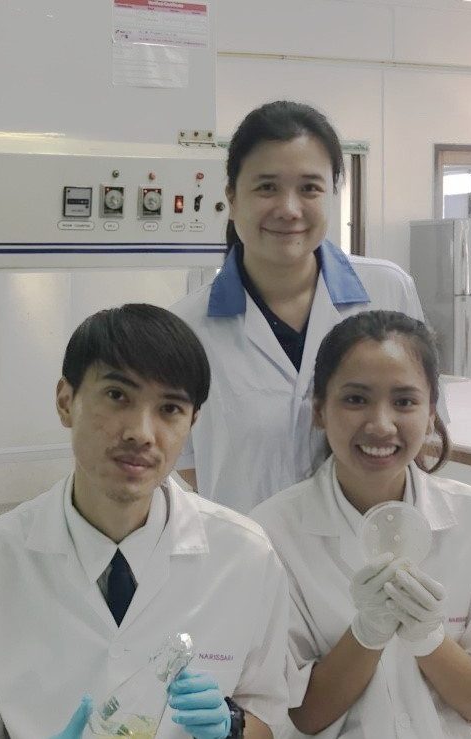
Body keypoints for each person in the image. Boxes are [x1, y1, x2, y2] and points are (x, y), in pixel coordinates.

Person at [0, 304, 292, 739]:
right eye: (117, 396)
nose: (141, 433)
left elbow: (270, 721)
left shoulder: (245, 557)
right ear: (65, 401)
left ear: (192, 423)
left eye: (169, 408)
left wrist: (233, 728)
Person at [248, 311, 471, 739]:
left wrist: (428, 638)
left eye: (404, 402)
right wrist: (366, 633)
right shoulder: (272, 533)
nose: (381, 425)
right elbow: (306, 716)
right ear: (319, 410)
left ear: (431, 414)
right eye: (356, 399)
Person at [171, 100, 437, 514]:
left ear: (331, 194)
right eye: (267, 187)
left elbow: (419, 427)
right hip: (248, 545)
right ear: (232, 198)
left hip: (368, 541)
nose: (289, 209)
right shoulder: (187, 328)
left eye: (310, 188)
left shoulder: (387, 289)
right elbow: (188, 463)